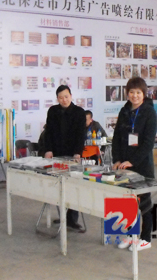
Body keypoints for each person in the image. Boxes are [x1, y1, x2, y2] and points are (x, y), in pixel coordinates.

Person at [112, 77, 157, 251]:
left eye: (138, 92)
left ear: (144, 94)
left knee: (144, 202)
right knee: (126, 201)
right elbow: (116, 138)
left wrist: (133, 161)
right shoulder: (124, 111)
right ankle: (130, 235)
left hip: (142, 164)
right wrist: (117, 159)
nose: (135, 95)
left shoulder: (149, 112)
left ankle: (145, 238)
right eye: (132, 92)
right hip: (123, 164)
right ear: (127, 93)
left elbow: (148, 143)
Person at [42, 85, 87, 231]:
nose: (64, 100)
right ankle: (63, 216)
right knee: (58, 185)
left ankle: (72, 219)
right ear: (57, 99)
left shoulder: (79, 112)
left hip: (72, 154)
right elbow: (48, 132)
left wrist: (77, 153)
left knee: (73, 186)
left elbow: (81, 135)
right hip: (57, 154)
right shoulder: (53, 111)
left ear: (71, 96)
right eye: (61, 98)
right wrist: (48, 150)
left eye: (66, 97)